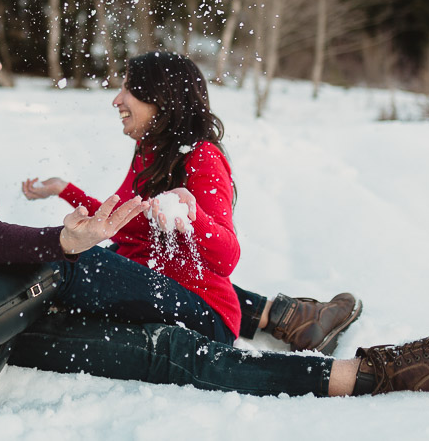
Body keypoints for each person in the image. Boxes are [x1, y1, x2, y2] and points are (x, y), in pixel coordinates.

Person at [0, 11, 429, 427]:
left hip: (7, 314)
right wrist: (66, 232)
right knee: (121, 298)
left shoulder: (192, 159)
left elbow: (160, 241)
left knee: (133, 306)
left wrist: (73, 233)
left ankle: (335, 343)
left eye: (129, 93)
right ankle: (368, 368)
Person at [22, 50, 361, 354]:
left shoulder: (202, 158)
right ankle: (293, 318)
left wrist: (193, 216)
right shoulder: (149, 151)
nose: (117, 99)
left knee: (74, 261)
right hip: (169, 287)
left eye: (129, 89)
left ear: (161, 98)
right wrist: (66, 190)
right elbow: (127, 226)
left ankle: (294, 318)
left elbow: (227, 256)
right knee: (78, 255)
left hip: (206, 316)